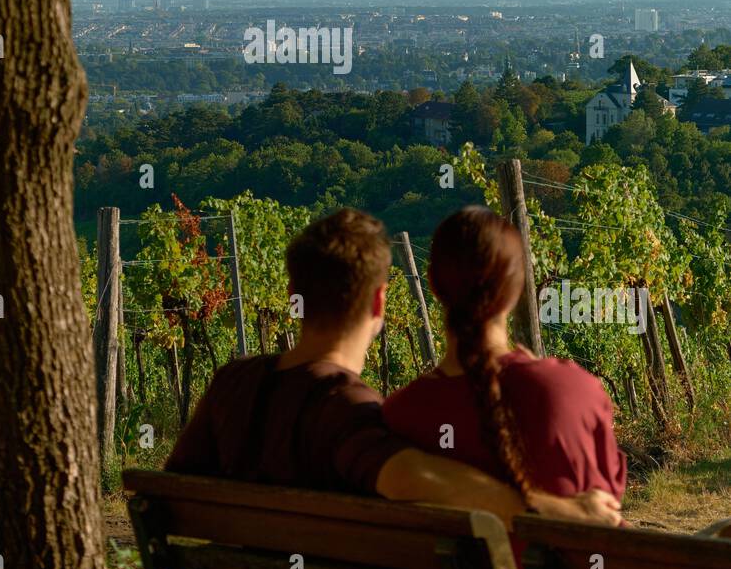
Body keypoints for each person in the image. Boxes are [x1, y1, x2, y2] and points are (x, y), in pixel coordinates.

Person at [166, 208, 622, 529]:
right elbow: (410, 477)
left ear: (293, 294)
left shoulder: (234, 382)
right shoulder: (344, 407)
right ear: (381, 300)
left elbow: (172, 493)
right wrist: (550, 509)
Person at [382, 204, 627, 569]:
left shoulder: (398, 415)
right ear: (517, 293)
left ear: (433, 287)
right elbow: (609, 518)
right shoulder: (573, 392)